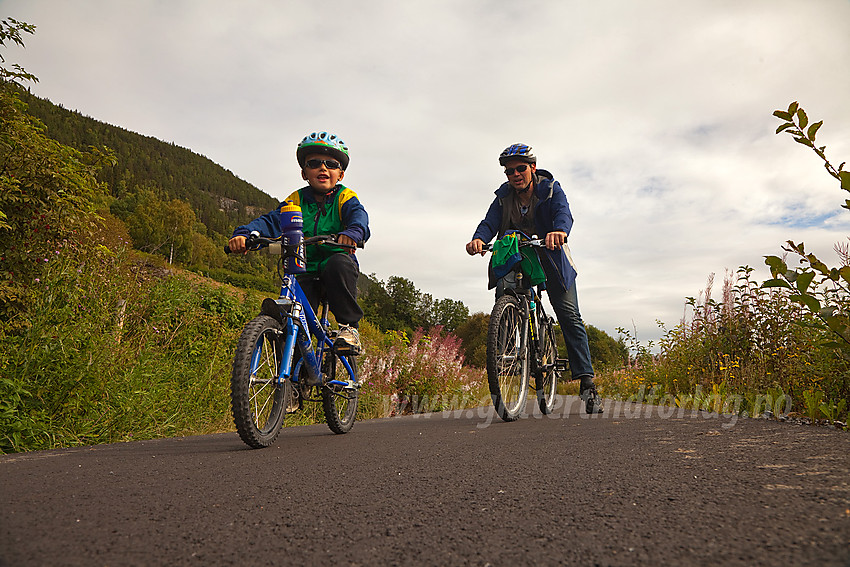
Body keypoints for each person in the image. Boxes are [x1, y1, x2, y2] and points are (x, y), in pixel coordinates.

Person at [465, 143, 603, 414]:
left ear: (532, 168)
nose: (515, 174)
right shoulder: (504, 197)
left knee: (568, 314)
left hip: (550, 255)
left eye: (520, 169)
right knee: (505, 295)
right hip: (520, 258)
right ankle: (506, 355)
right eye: (509, 171)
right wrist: (479, 238)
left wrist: (559, 232)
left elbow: (564, 213)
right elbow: (489, 222)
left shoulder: (550, 189)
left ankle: (587, 384)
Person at [229, 131, 370, 353]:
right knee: (293, 326)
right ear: (304, 173)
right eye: (314, 163)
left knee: (339, 264)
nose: (322, 168)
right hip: (303, 268)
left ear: (340, 175)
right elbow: (271, 221)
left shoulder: (345, 197)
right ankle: (294, 375)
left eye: (331, 164)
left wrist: (353, 232)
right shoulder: (295, 200)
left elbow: (358, 217)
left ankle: (349, 329)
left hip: (335, 265)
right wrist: (245, 234)